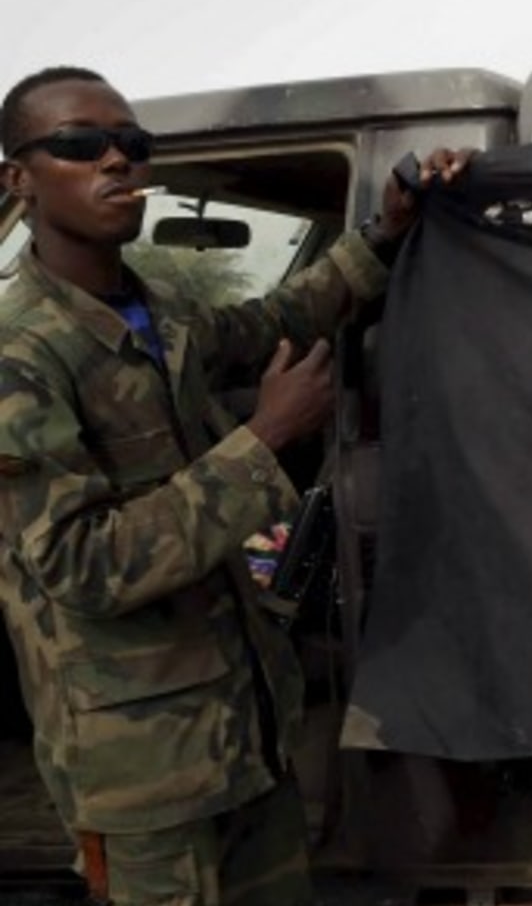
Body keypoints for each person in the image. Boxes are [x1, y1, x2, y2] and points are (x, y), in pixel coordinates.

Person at [0, 66, 469, 906]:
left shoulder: (161, 312)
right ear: (17, 180)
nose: (116, 162)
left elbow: (275, 323)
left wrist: (386, 232)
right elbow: (82, 567)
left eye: (132, 146)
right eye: (79, 146)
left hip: (248, 733)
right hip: (142, 779)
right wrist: (264, 441)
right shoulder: (20, 356)